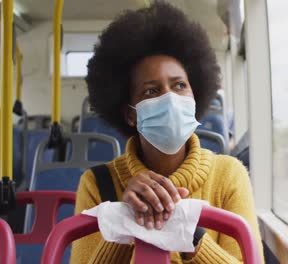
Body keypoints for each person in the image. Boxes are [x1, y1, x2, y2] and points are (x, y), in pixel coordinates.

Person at [70, 1, 263, 263]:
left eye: (180, 85)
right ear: (130, 114)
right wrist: (125, 219)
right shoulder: (97, 183)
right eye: (151, 91)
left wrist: (190, 236)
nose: (170, 99)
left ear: (195, 96)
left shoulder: (228, 175)